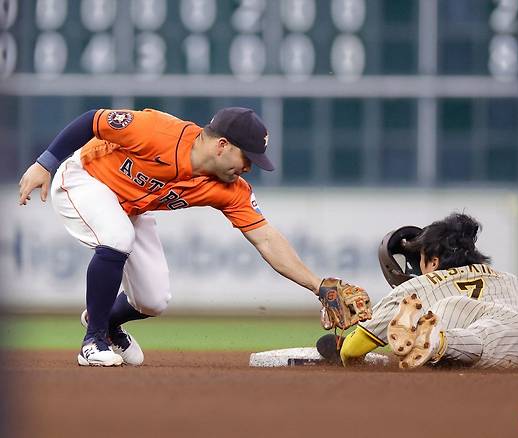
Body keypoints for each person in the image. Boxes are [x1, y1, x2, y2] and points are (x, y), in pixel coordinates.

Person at [18, 107, 344, 367]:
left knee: (153, 299)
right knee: (117, 237)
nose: (249, 168)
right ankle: (93, 341)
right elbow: (93, 120)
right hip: (84, 178)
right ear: (222, 146)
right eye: (248, 158)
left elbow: (267, 240)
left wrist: (318, 287)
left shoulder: (229, 189)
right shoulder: (157, 131)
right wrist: (45, 163)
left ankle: (104, 318)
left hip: (131, 206)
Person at [337, 213, 518, 369]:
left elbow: (351, 351)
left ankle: (438, 340)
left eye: (420, 259)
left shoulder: (417, 287)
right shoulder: (509, 281)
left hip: (460, 328)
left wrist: (346, 354)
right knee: (476, 337)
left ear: (433, 261)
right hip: (513, 345)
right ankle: (438, 341)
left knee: (445, 313)